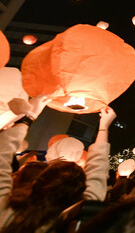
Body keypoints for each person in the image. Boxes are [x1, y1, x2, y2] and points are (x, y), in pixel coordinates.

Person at [0, 96, 115, 233]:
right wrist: (104, 128)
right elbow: (98, 171)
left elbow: (2, 153)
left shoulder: (7, 209)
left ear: (38, 180)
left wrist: (29, 116)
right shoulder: (71, 222)